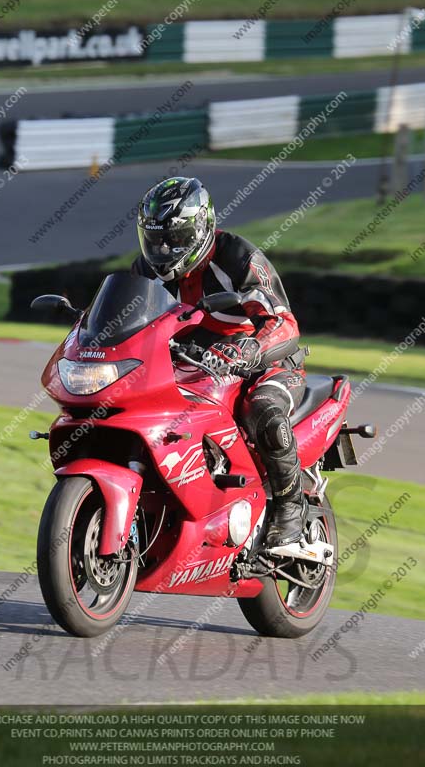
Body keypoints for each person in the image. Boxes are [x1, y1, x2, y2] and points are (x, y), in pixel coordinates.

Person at [131, 177, 308, 549]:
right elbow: (126, 323)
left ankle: (291, 509)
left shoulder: (237, 258)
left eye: (175, 239)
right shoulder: (146, 272)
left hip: (265, 362)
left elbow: (283, 323)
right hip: (196, 363)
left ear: (201, 229)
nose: (164, 248)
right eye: (156, 239)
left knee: (261, 409)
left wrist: (250, 350)